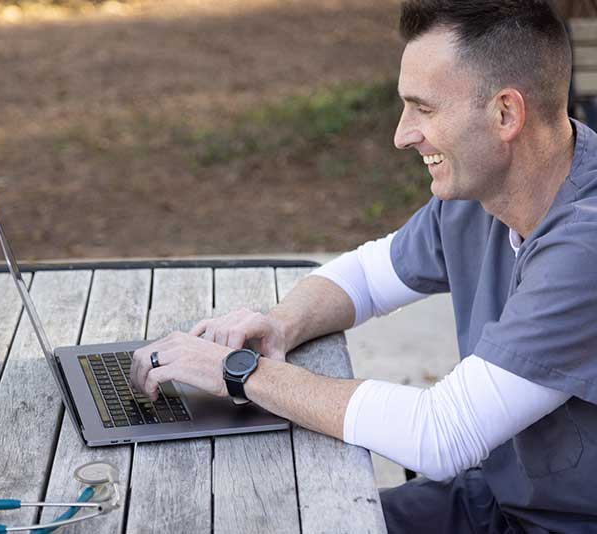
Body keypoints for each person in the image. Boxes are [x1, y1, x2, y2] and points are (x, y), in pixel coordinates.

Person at [130, 1, 597, 532]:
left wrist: (237, 374)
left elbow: (442, 434)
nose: (402, 135)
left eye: (424, 109)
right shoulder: (479, 193)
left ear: (506, 114)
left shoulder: (586, 246)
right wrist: (281, 323)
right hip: (496, 499)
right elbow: (368, 276)